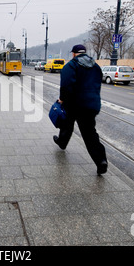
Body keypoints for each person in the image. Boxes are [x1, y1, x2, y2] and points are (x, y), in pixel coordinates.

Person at [53, 44, 108, 176]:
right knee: (90, 134)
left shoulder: (70, 66)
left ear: (73, 54)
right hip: (91, 105)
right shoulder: (96, 67)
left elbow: (66, 86)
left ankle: (62, 142)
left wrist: (62, 99)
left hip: (74, 104)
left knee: (66, 124)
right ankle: (101, 161)